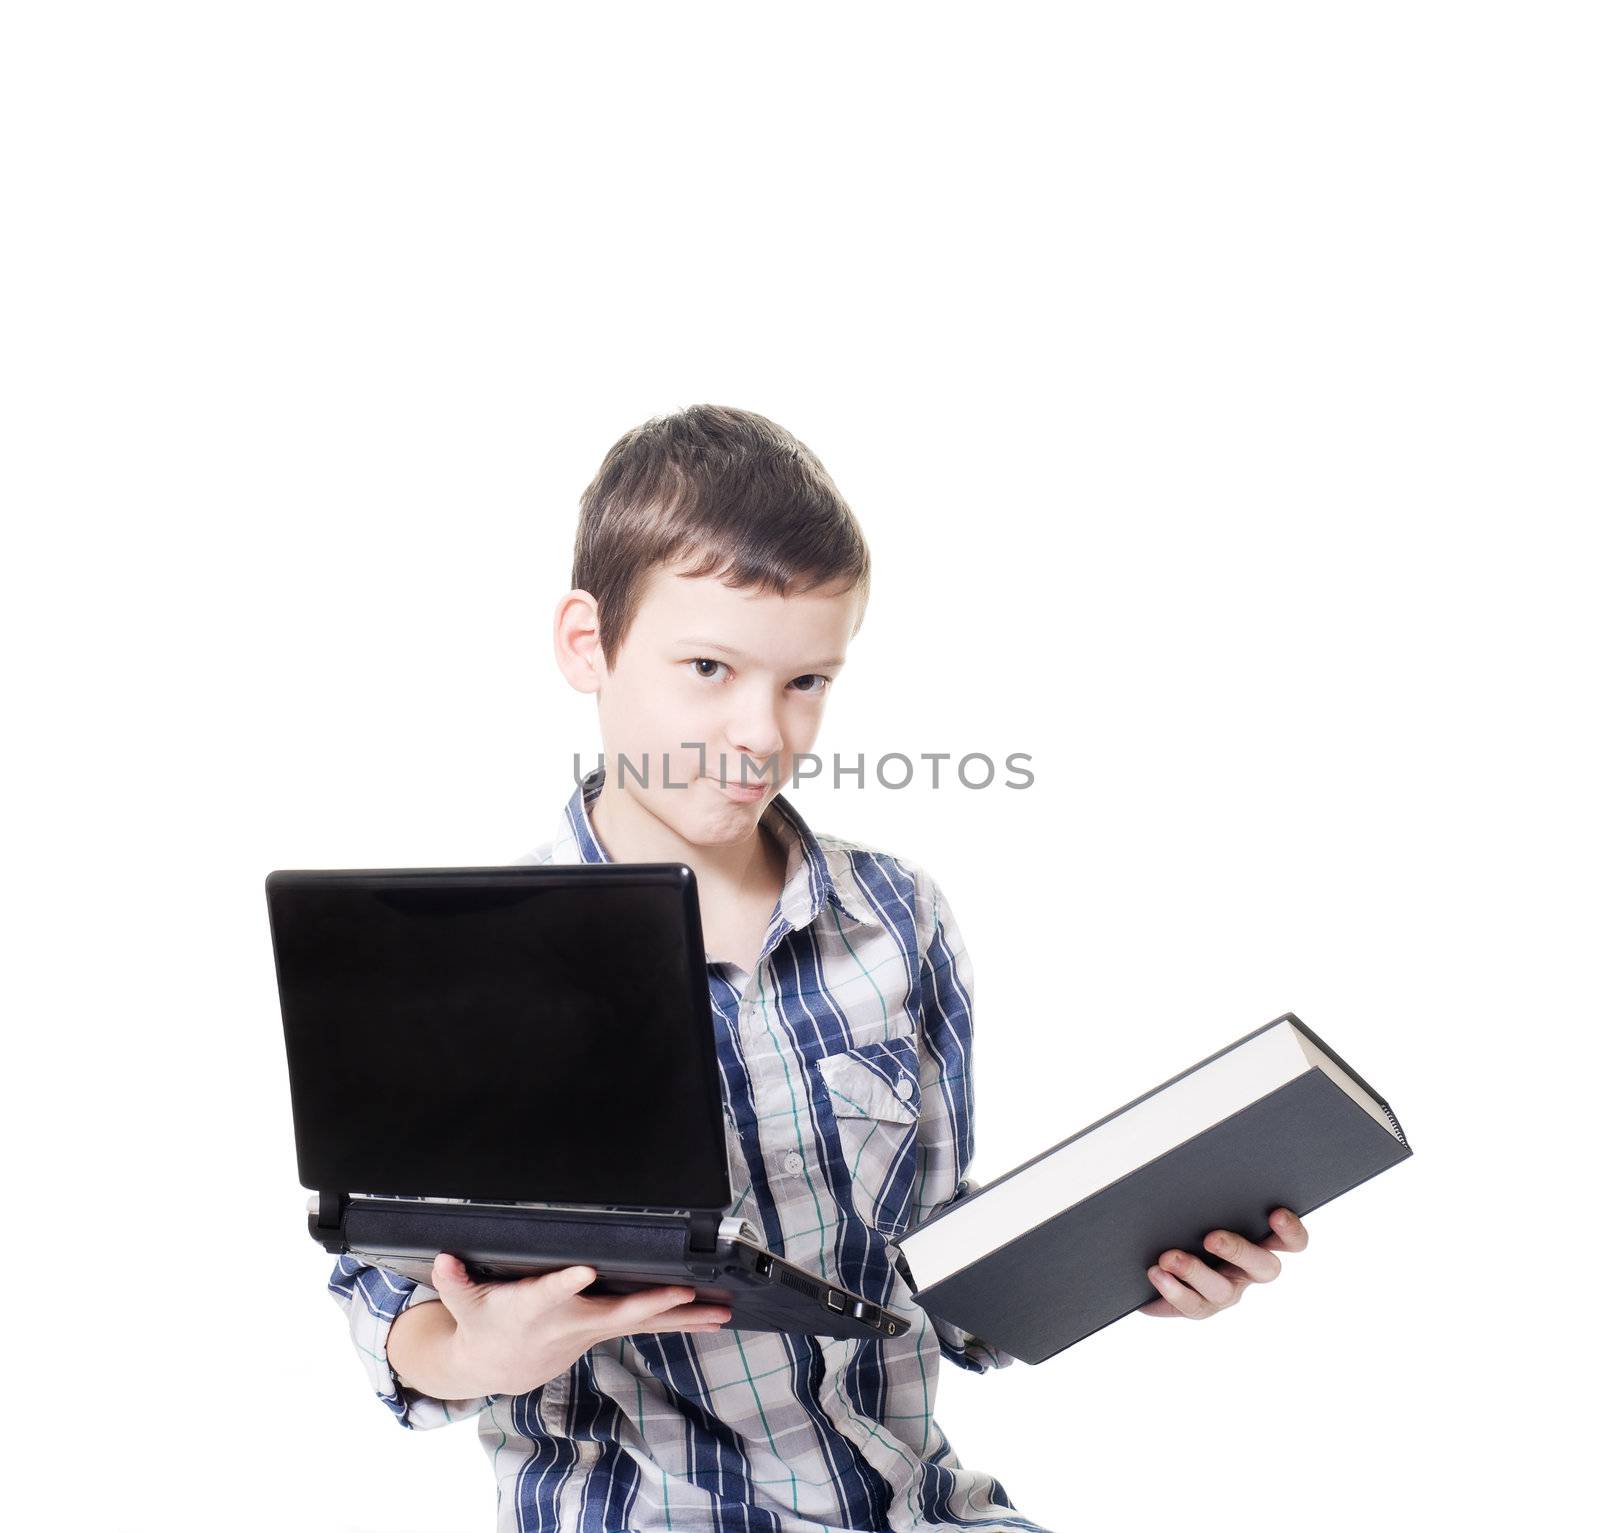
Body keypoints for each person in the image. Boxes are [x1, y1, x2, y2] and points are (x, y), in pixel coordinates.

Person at [327, 404, 1310, 1531]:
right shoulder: (471, 972)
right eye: (708, 666)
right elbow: (389, 1326)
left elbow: (937, 1293)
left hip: (910, 1508)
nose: (760, 733)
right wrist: (480, 1346)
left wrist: (1135, 1261)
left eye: (807, 682)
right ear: (586, 644)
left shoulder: (899, 920)